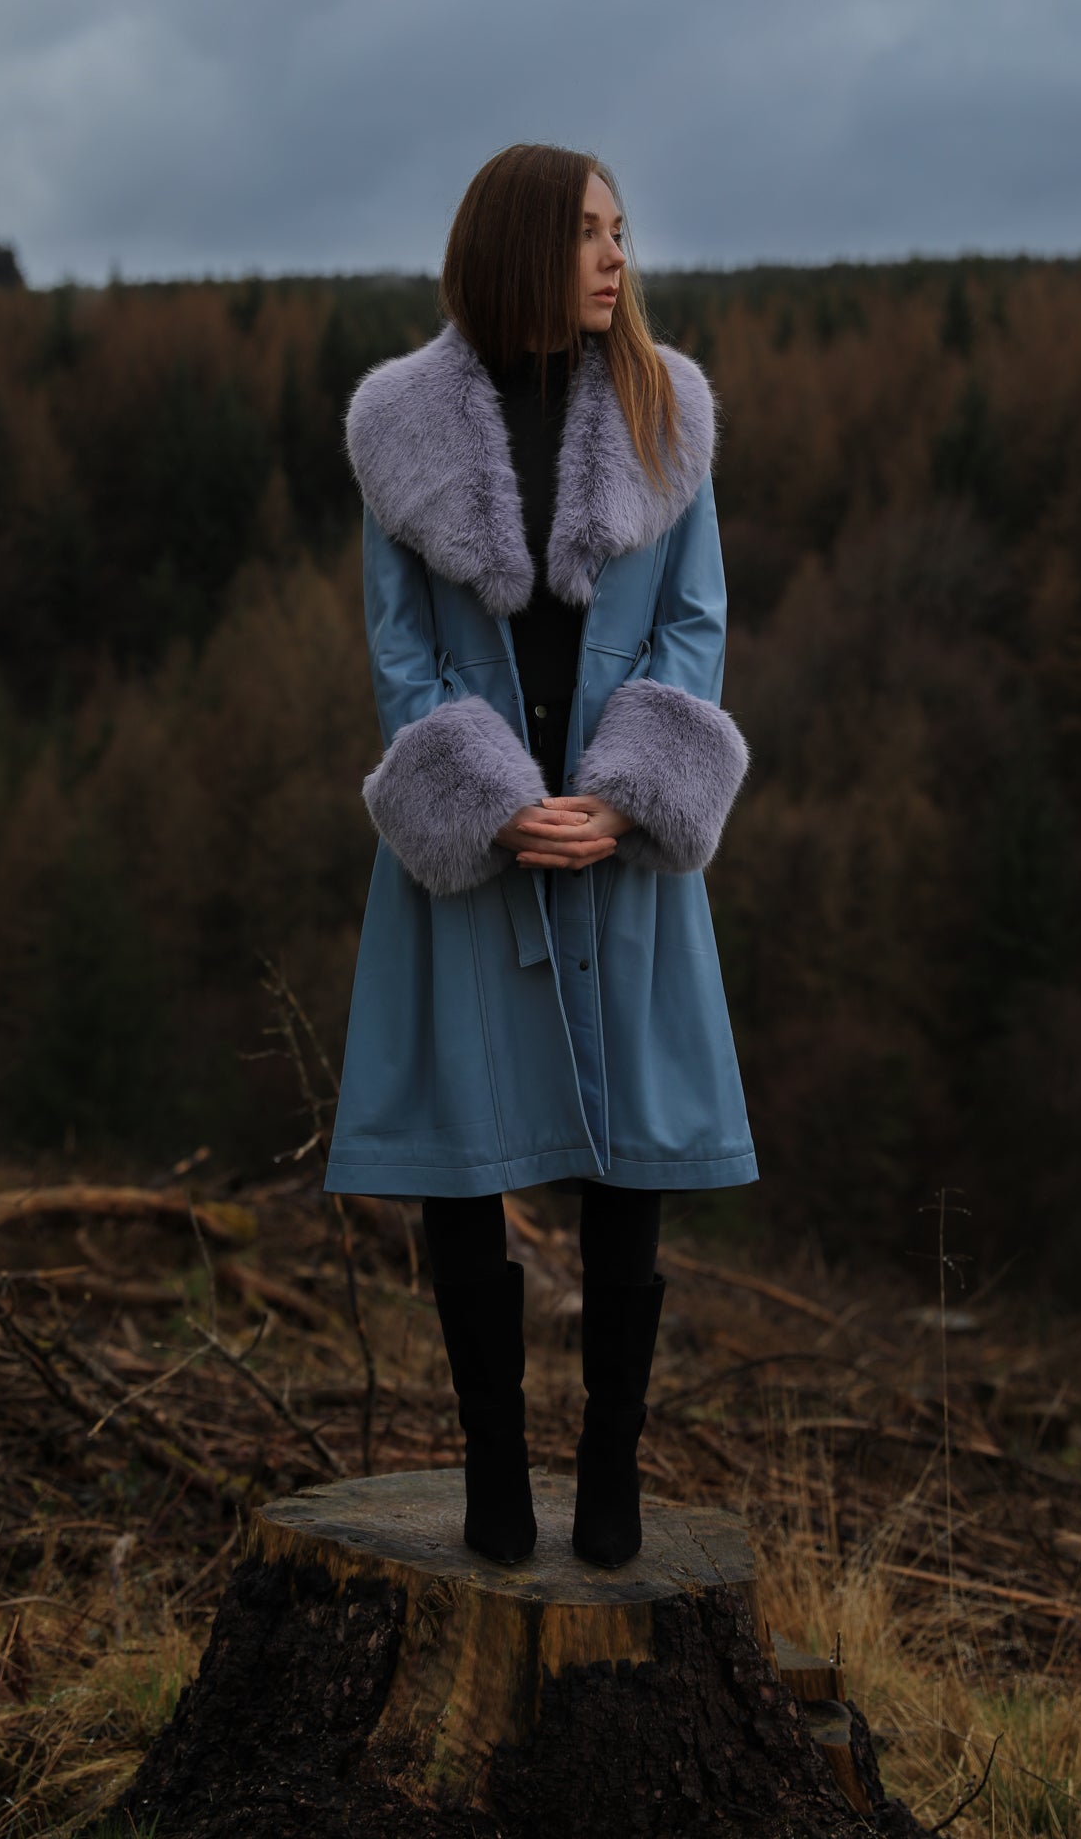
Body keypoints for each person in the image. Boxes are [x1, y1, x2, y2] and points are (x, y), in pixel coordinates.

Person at [323, 142, 757, 1569]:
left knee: (627, 1168)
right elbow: (398, 650)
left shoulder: (664, 406)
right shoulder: (397, 425)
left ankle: (612, 1479)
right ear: (519, 244)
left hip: (619, 848)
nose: (616, 258)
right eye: (587, 233)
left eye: (621, 231)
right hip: (474, 848)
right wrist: (495, 801)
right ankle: (495, 1480)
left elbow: (693, 625)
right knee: (462, 1166)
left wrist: (628, 793)